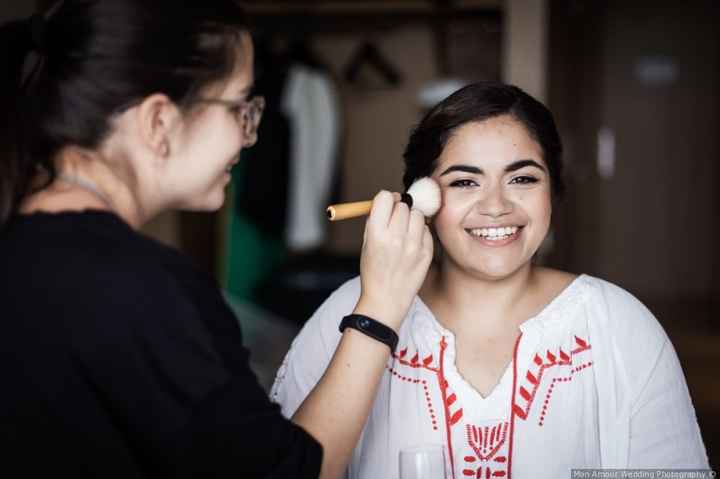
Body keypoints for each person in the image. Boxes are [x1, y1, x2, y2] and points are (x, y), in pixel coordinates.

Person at [0, 2, 432, 478]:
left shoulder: (21, 252)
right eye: (240, 107)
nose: (249, 139)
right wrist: (381, 307)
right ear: (159, 121)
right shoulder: (147, 289)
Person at [270, 82, 710, 478]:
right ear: (420, 199)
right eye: (465, 182)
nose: (496, 206)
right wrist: (377, 310)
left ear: (552, 191)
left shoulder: (618, 327)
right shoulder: (353, 309)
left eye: (521, 178)